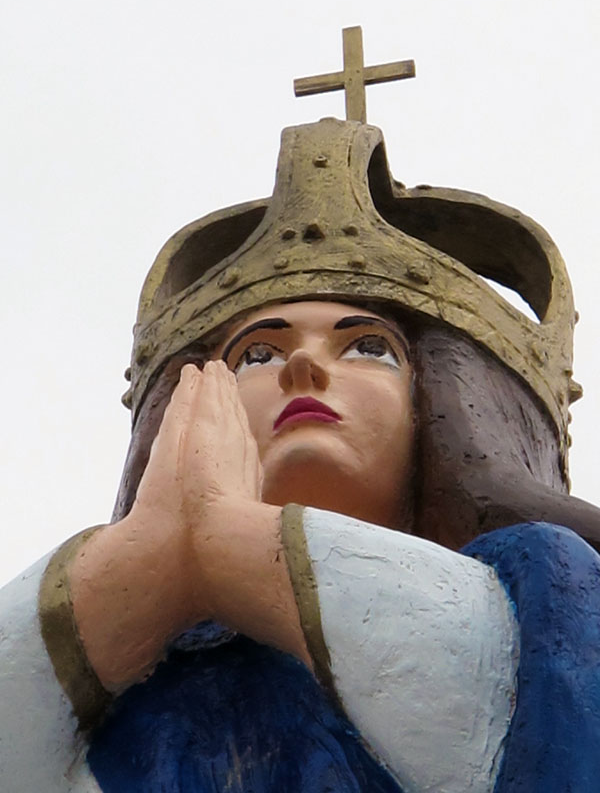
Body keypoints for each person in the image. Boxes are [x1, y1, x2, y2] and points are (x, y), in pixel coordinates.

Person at [2, 114, 600, 793]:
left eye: (367, 347)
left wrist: (245, 545)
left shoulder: (539, 579)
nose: (301, 368)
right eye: (258, 354)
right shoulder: (137, 670)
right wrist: (140, 562)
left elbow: (527, 706)